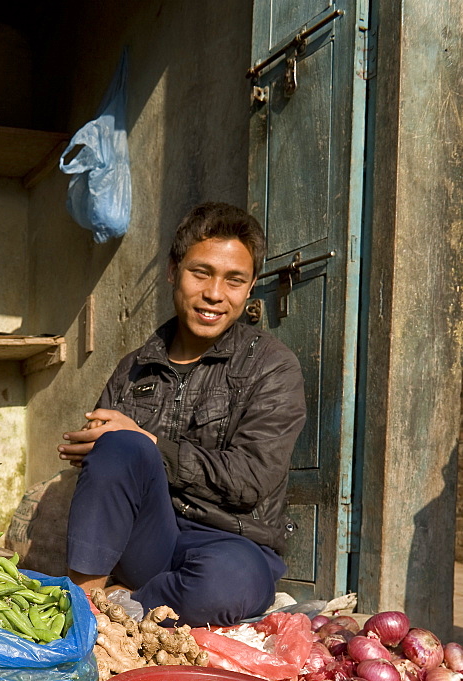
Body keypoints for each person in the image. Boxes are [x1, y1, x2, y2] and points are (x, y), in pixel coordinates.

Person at [58, 202, 306, 626]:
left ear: (250, 289)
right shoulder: (135, 367)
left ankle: (127, 601)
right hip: (150, 538)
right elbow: (118, 464)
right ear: (173, 270)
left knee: (225, 584)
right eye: (201, 272)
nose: (214, 294)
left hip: (231, 543)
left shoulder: (272, 366)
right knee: (119, 444)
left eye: (234, 280)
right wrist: (98, 449)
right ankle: (83, 606)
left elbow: (250, 482)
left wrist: (151, 443)